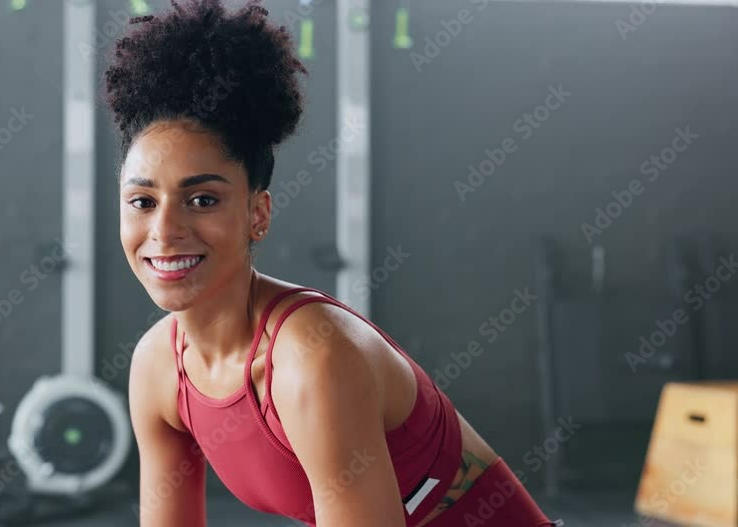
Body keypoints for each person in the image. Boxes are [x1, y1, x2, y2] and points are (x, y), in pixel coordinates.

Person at [104, 1, 561, 525]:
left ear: (257, 214)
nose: (164, 231)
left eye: (202, 199)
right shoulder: (158, 367)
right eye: (142, 202)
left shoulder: (313, 357)